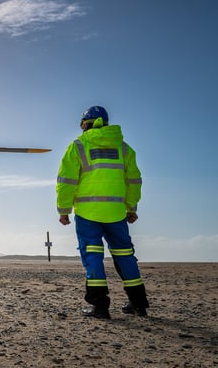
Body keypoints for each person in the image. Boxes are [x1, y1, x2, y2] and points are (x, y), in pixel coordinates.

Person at [56, 106, 149, 319]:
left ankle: (100, 307)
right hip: (116, 213)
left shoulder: (78, 146)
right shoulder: (124, 148)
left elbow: (66, 182)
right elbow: (134, 180)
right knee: (125, 256)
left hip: (88, 213)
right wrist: (131, 207)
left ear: (86, 123)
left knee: (93, 256)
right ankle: (138, 304)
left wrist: (64, 210)